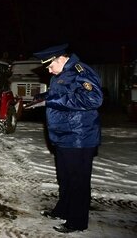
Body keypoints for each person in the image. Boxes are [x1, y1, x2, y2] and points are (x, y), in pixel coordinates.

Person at [25, 43, 103, 233]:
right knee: (65, 178)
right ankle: (63, 210)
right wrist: (41, 97)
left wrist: (50, 101)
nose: (49, 71)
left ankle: (77, 222)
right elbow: (62, 94)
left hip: (79, 137)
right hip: (63, 137)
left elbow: (93, 99)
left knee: (78, 181)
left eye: (50, 66)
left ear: (60, 58)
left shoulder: (80, 71)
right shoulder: (62, 74)